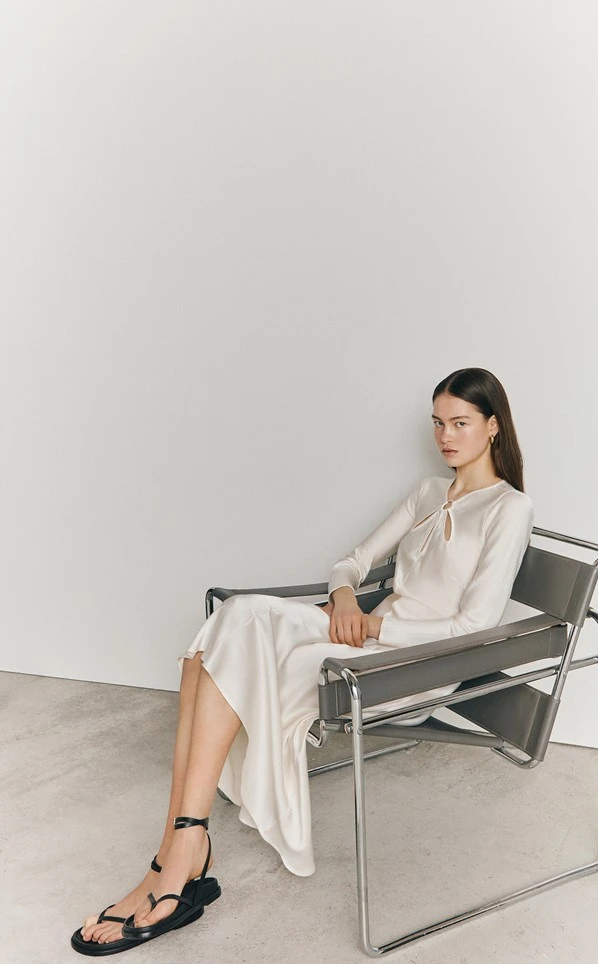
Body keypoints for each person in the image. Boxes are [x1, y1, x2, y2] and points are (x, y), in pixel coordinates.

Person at [72, 367, 534, 955]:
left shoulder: (509, 508)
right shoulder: (427, 492)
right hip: (359, 637)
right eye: (438, 423)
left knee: (222, 662)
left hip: (412, 664)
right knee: (227, 628)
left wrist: (375, 625)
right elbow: (351, 562)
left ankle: (174, 858)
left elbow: (475, 626)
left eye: (461, 423)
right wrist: (346, 599)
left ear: (493, 426)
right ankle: (182, 845)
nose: (446, 436)